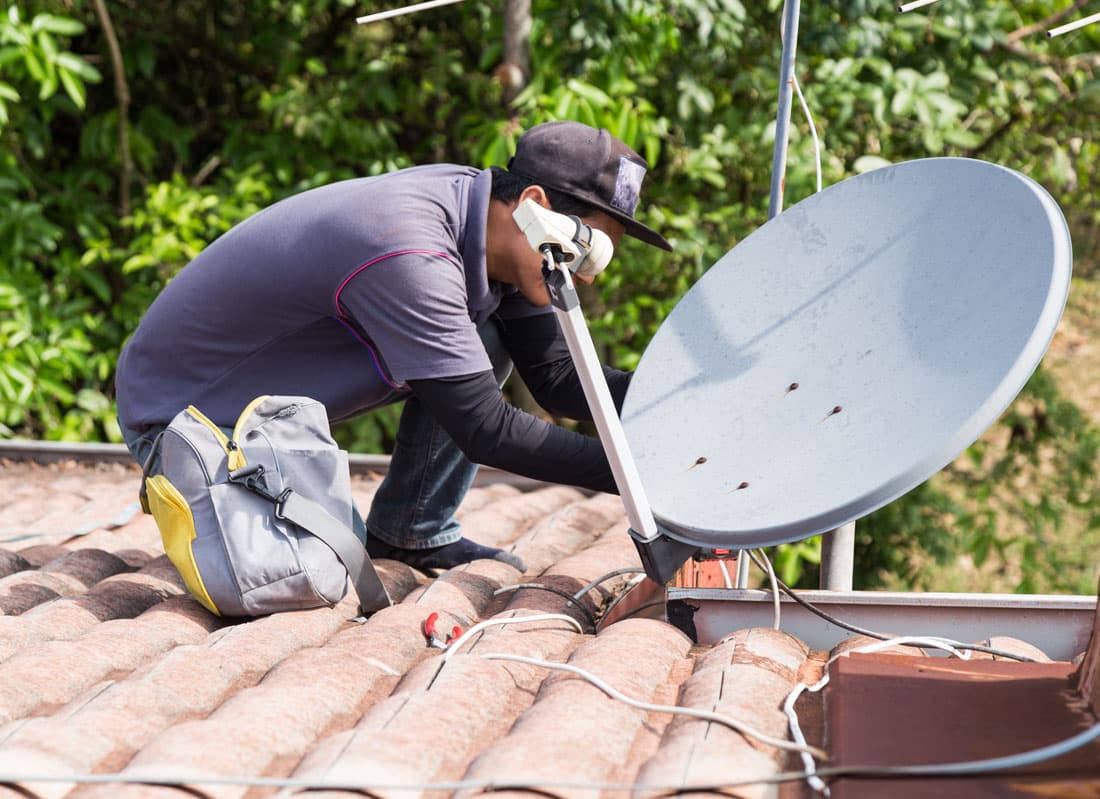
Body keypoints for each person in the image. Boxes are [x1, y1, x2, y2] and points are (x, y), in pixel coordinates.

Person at [115, 120, 672, 575]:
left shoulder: (491, 227)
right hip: (186, 432)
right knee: (316, 576)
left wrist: (683, 408)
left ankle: (412, 534)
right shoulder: (412, 252)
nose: (588, 276)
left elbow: (556, 378)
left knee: (484, 334)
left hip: (254, 424)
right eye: (588, 251)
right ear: (534, 204)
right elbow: (484, 428)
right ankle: (405, 534)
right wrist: (646, 480)